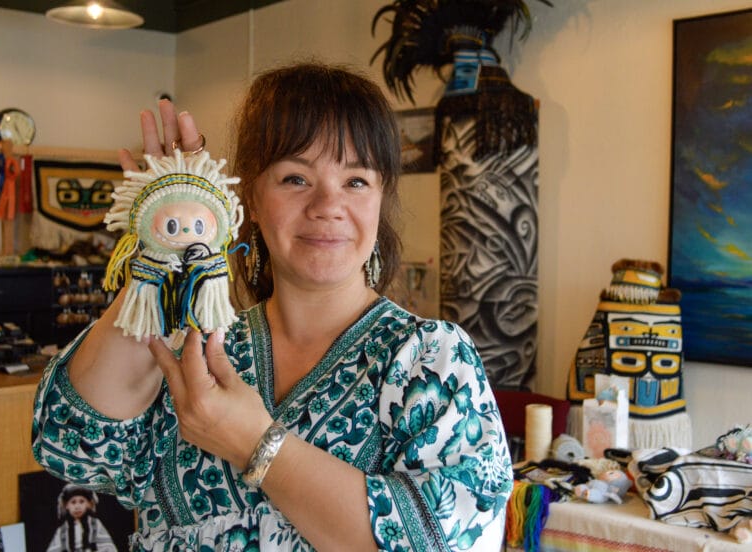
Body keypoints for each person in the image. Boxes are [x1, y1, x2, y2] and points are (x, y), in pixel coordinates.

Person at [32, 61, 513, 551]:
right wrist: (167, 243)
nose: (328, 204)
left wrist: (255, 444)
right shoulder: (196, 342)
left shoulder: (429, 358)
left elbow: (447, 538)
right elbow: (71, 446)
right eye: (295, 179)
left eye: (356, 181)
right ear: (250, 201)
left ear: (380, 198)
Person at [47, 484, 117, 552]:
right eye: (73, 502)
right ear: (66, 505)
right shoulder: (63, 530)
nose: (77, 506)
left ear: (89, 504)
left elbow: (108, 547)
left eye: (81, 501)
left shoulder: (94, 525)